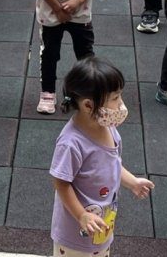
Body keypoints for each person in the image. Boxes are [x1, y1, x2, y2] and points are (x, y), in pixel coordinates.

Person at [50, 58, 154, 256]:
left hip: (102, 224)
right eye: (115, 99)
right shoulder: (71, 143)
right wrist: (82, 215)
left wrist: (132, 182)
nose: (121, 104)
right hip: (75, 234)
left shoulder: (108, 128)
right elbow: (61, 183)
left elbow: (112, 163)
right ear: (89, 105)